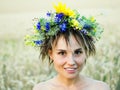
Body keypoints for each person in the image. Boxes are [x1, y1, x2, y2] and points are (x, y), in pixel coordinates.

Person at [25, 2, 110, 90]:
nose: (71, 62)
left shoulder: (101, 88)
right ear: (51, 54)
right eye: (62, 53)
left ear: (86, 52)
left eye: (78, 52)